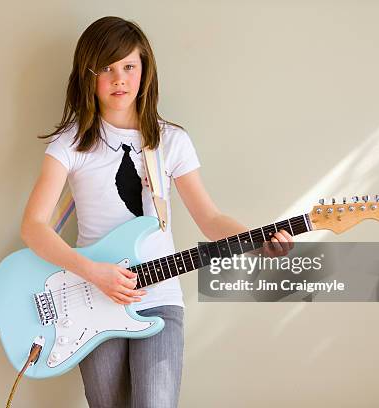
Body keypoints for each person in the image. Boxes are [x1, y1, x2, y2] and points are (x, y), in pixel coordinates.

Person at [20, 16, 294, 408]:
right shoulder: (70, 144)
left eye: (129, 66)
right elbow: (33, 227)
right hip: (93, 296)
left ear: (144, 71)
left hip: (161, 294)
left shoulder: (171, 141)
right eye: (107, 69)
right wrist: (93, 272)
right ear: (87, 76)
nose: (119, 79)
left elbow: (210, 218)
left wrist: (257, 240)